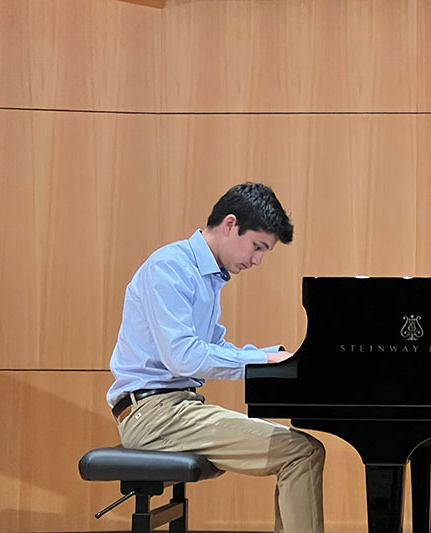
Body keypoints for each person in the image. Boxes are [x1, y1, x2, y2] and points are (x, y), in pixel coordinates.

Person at [106, 182, 325, 533]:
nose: (257, 260)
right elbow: (183, 357)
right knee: (302, 452)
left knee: (303, 449)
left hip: (175, 408)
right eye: (257, 246)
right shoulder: (170, 267)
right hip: (152, 415)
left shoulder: (205, 277)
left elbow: (215, 348)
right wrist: (261, 363)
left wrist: (273, 356)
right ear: (229, 224)